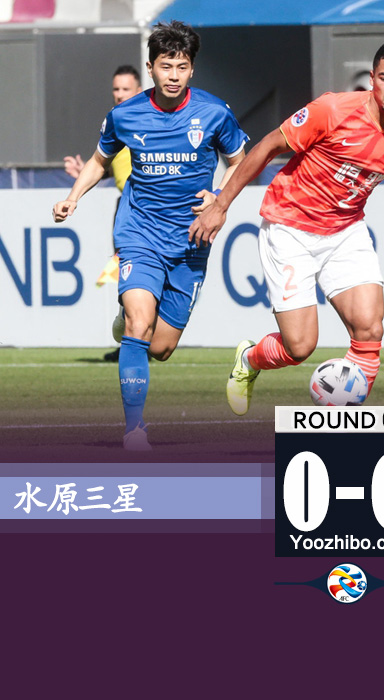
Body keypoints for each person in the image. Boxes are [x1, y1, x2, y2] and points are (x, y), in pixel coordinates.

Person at [189, 40, 384, 416]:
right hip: (289, 226)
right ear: (372, 78)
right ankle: (249, 359)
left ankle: (345, 419)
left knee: (370, 330)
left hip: (345, 232)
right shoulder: (334, 110)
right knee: (299, 347)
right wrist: (221, 205)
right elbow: (267, 146)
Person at [52, 20, 249, 450]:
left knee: (160, 347)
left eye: (182, 66)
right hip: (139, 231)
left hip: (191, 239)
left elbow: (240, 161)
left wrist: (219, 198)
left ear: (192, 69)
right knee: (140, 324)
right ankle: (134, 430)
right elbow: (100, 160)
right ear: (150, 68)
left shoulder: (215, 113)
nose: (174, 75)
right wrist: (73, 197)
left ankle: (126, 321)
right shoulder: (125, 115)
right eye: (165, 66)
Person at [64, 65, 143, 363]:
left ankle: (139, 336)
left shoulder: (149, 119)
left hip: (152, 207)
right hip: (126, 206)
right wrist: (86, 174)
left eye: (126, 89)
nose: (120, 94)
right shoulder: (117, 122)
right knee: (126, 272)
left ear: (138, 90)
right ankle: (132, 339)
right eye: (116, 89)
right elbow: (113, 164)